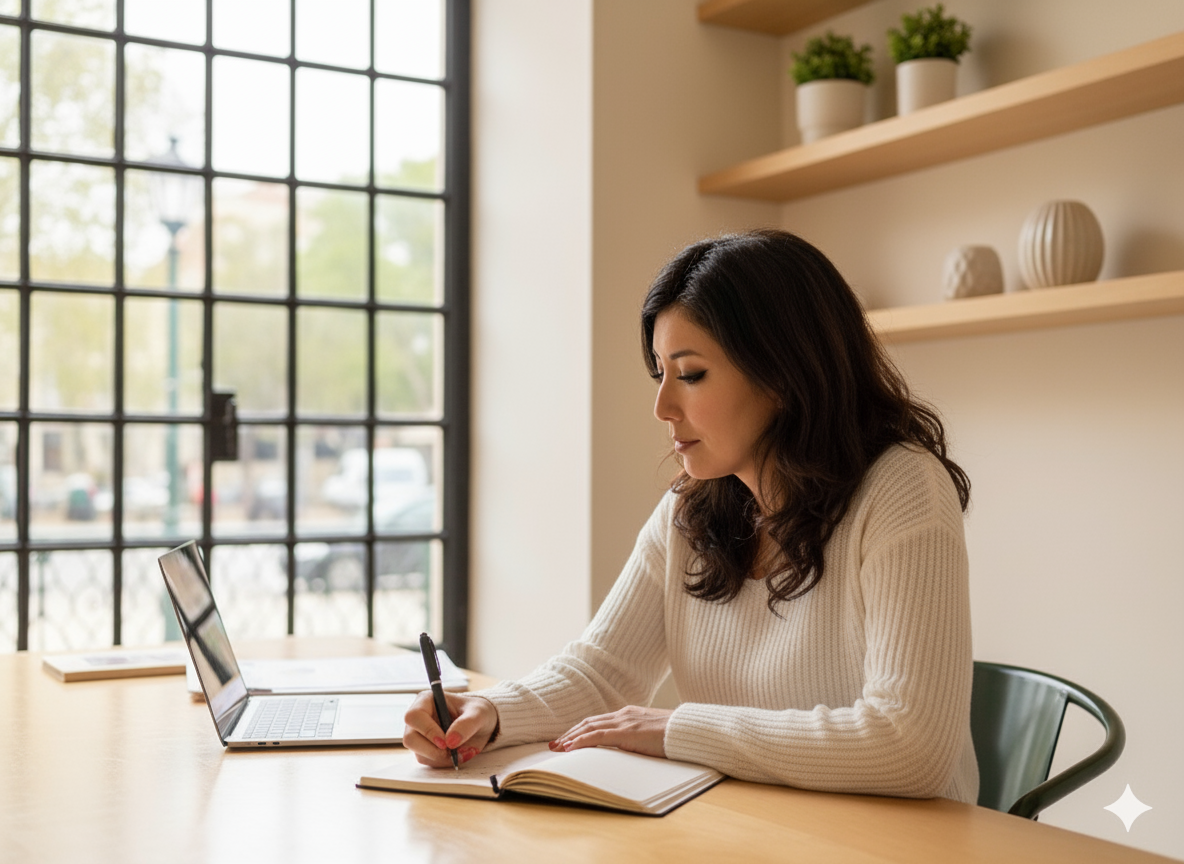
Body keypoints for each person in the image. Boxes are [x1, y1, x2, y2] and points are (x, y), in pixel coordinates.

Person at [403, 228, 980, 804]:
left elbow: (910, 747)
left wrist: (675, 728)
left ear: (783, 372)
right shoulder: (692, 508)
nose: (662, 407)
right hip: (756, 829)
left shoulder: (903, 489)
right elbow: (603, 672)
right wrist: (491, 711)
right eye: (660, 372)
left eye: (692, 374)